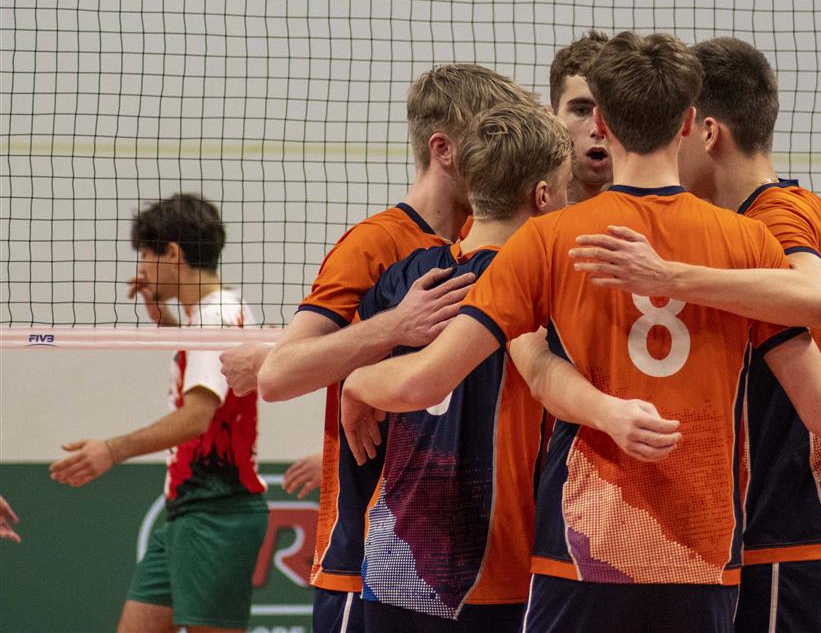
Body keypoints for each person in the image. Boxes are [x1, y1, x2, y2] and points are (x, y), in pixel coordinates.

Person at [342, 32, 821, 633]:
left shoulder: (548, 239)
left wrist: (358, 383)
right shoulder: (748, 243)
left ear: (603, 125)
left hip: (582, 549)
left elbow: (423, 382)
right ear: (688, 123)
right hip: (702, 557)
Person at [567, 36, 821, 632]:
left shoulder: (772, 220)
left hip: (790, 531)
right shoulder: (800, 208)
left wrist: (666, 277)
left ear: (707, 133)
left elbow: (813, 298)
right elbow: (820, 362)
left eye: (678, 131)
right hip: (806, 526)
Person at [219, 64, 534, 633]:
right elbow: (280, 375)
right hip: (368, 559)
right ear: (443, 149)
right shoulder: (376, 242)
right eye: (484, 136)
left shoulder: (495, 246)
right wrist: (394, 326)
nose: (498, 151)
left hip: (471, 558)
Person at [354, 102, 572, 632]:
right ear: (543, 196)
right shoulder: (536, 286)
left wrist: (353, 387)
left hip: (393, 562)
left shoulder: (404, 276)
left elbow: (362, 362)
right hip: (496, 568)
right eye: (567, 188)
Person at [51, 193, 264, 633]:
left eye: (146, 255)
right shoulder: (212, 314)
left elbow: (196, 417)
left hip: (217, 514)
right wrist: (166, 320)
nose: (142, 268)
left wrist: (111, 450)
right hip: (189, 509)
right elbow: (210, 375)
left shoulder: (216, 317)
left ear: (173, 253)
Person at [549, 30, 612, 204]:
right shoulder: (525, 214)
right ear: (552, 119)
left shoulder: (654, 212)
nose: (597, 129)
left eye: (610, 112)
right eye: (581, 111)